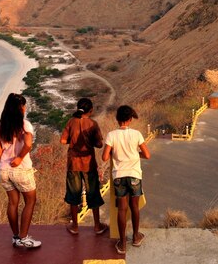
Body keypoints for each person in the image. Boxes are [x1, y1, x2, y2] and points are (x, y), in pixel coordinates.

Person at [0, 93, 41, 248]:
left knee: (13, 203)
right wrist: (20, 157)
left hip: (4, 170)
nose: (25, 108)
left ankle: (15, 237)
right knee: (30, 201)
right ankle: (24, 237)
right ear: (21, 108)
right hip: (20, 169)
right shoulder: (24, 125)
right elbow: (28, 145)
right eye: (24, 106)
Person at [102, 105, 151, 255]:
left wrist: (116, 155)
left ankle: (122, 243)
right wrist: (136, 156)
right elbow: (147, 155)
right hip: (134, 175)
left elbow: (104, 157)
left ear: (117, 119)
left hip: (119, 176)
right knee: (134, 207)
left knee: (122, 209)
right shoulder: (136, 134)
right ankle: (136, 237)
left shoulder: (111, 135)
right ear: (130, 120)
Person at [61, 98, 108, 235]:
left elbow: (63, 140)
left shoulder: (71, 122)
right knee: (92, 193)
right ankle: (97, 226)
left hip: (73, 164)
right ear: (91, 110)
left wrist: (73, 140)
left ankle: (75, 226)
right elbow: (99, 144)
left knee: (73, 195)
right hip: (88, 164)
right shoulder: (92, 124)